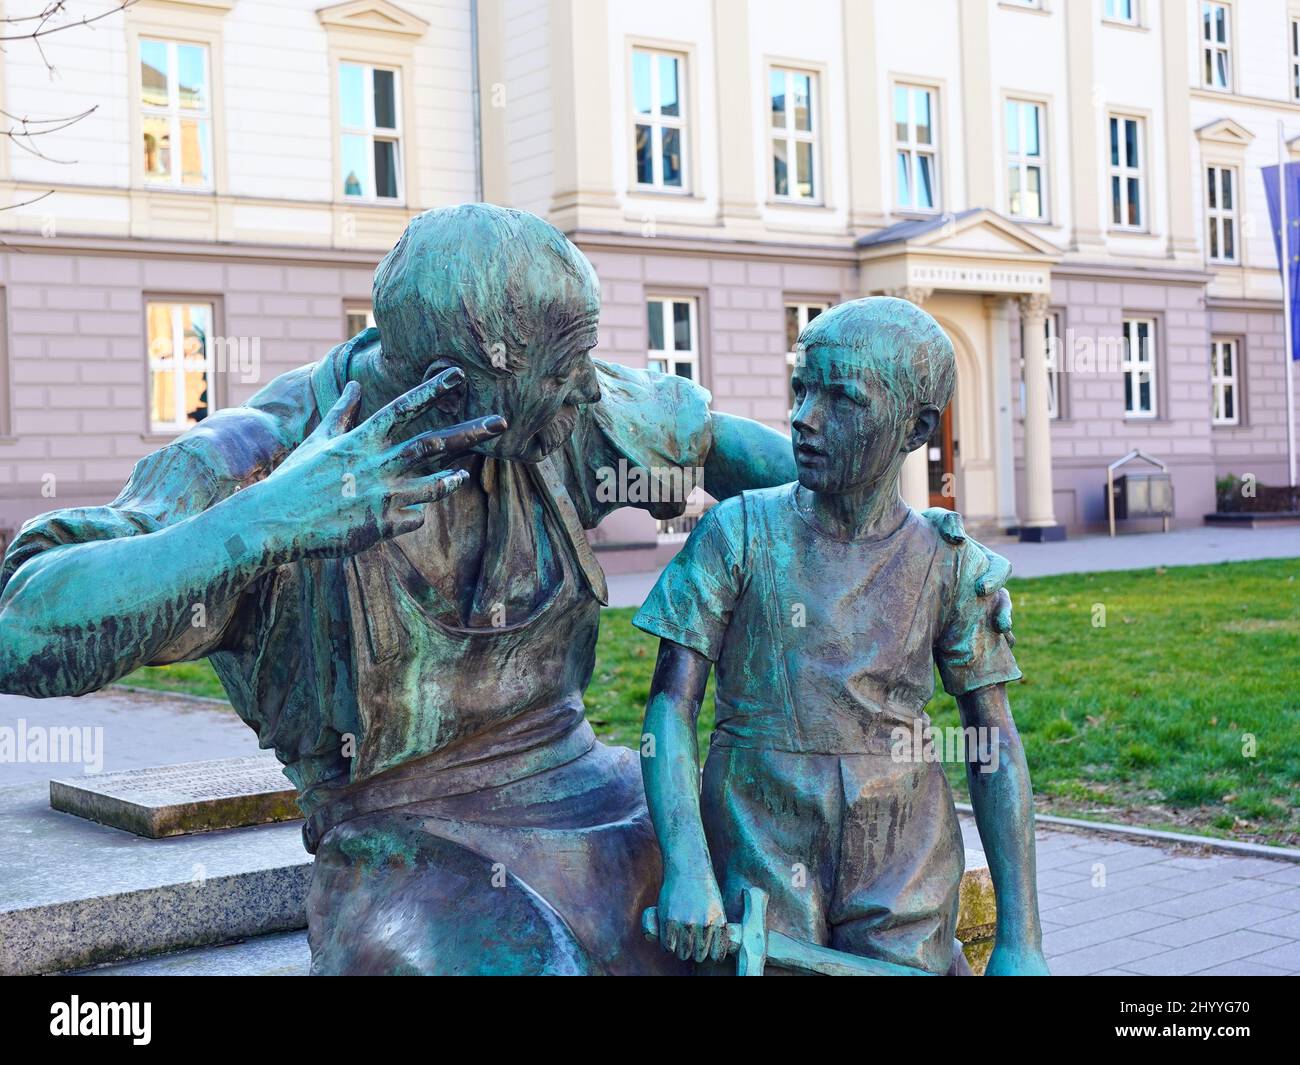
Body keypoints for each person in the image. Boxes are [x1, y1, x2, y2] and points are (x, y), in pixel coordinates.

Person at [0, 208, 1012, 974]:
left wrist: (892, 547)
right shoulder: (264, 459)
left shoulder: (558, 408)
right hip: (397, 832)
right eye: (565, 372)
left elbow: (719, 447)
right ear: (470, 378)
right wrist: (264, 524)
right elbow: (23, 625)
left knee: (748, 932)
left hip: (594, 792)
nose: (587, 392)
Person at [636, 296, 1049, 976]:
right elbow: (669, 708)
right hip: (758, 827)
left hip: (903, 850)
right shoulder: (735, 534)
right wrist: (686, 865)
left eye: (842, 398)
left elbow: (994, 740)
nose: (804, 419)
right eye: (801, 389)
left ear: (915, 428)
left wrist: (1021, 938)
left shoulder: (951, 564)